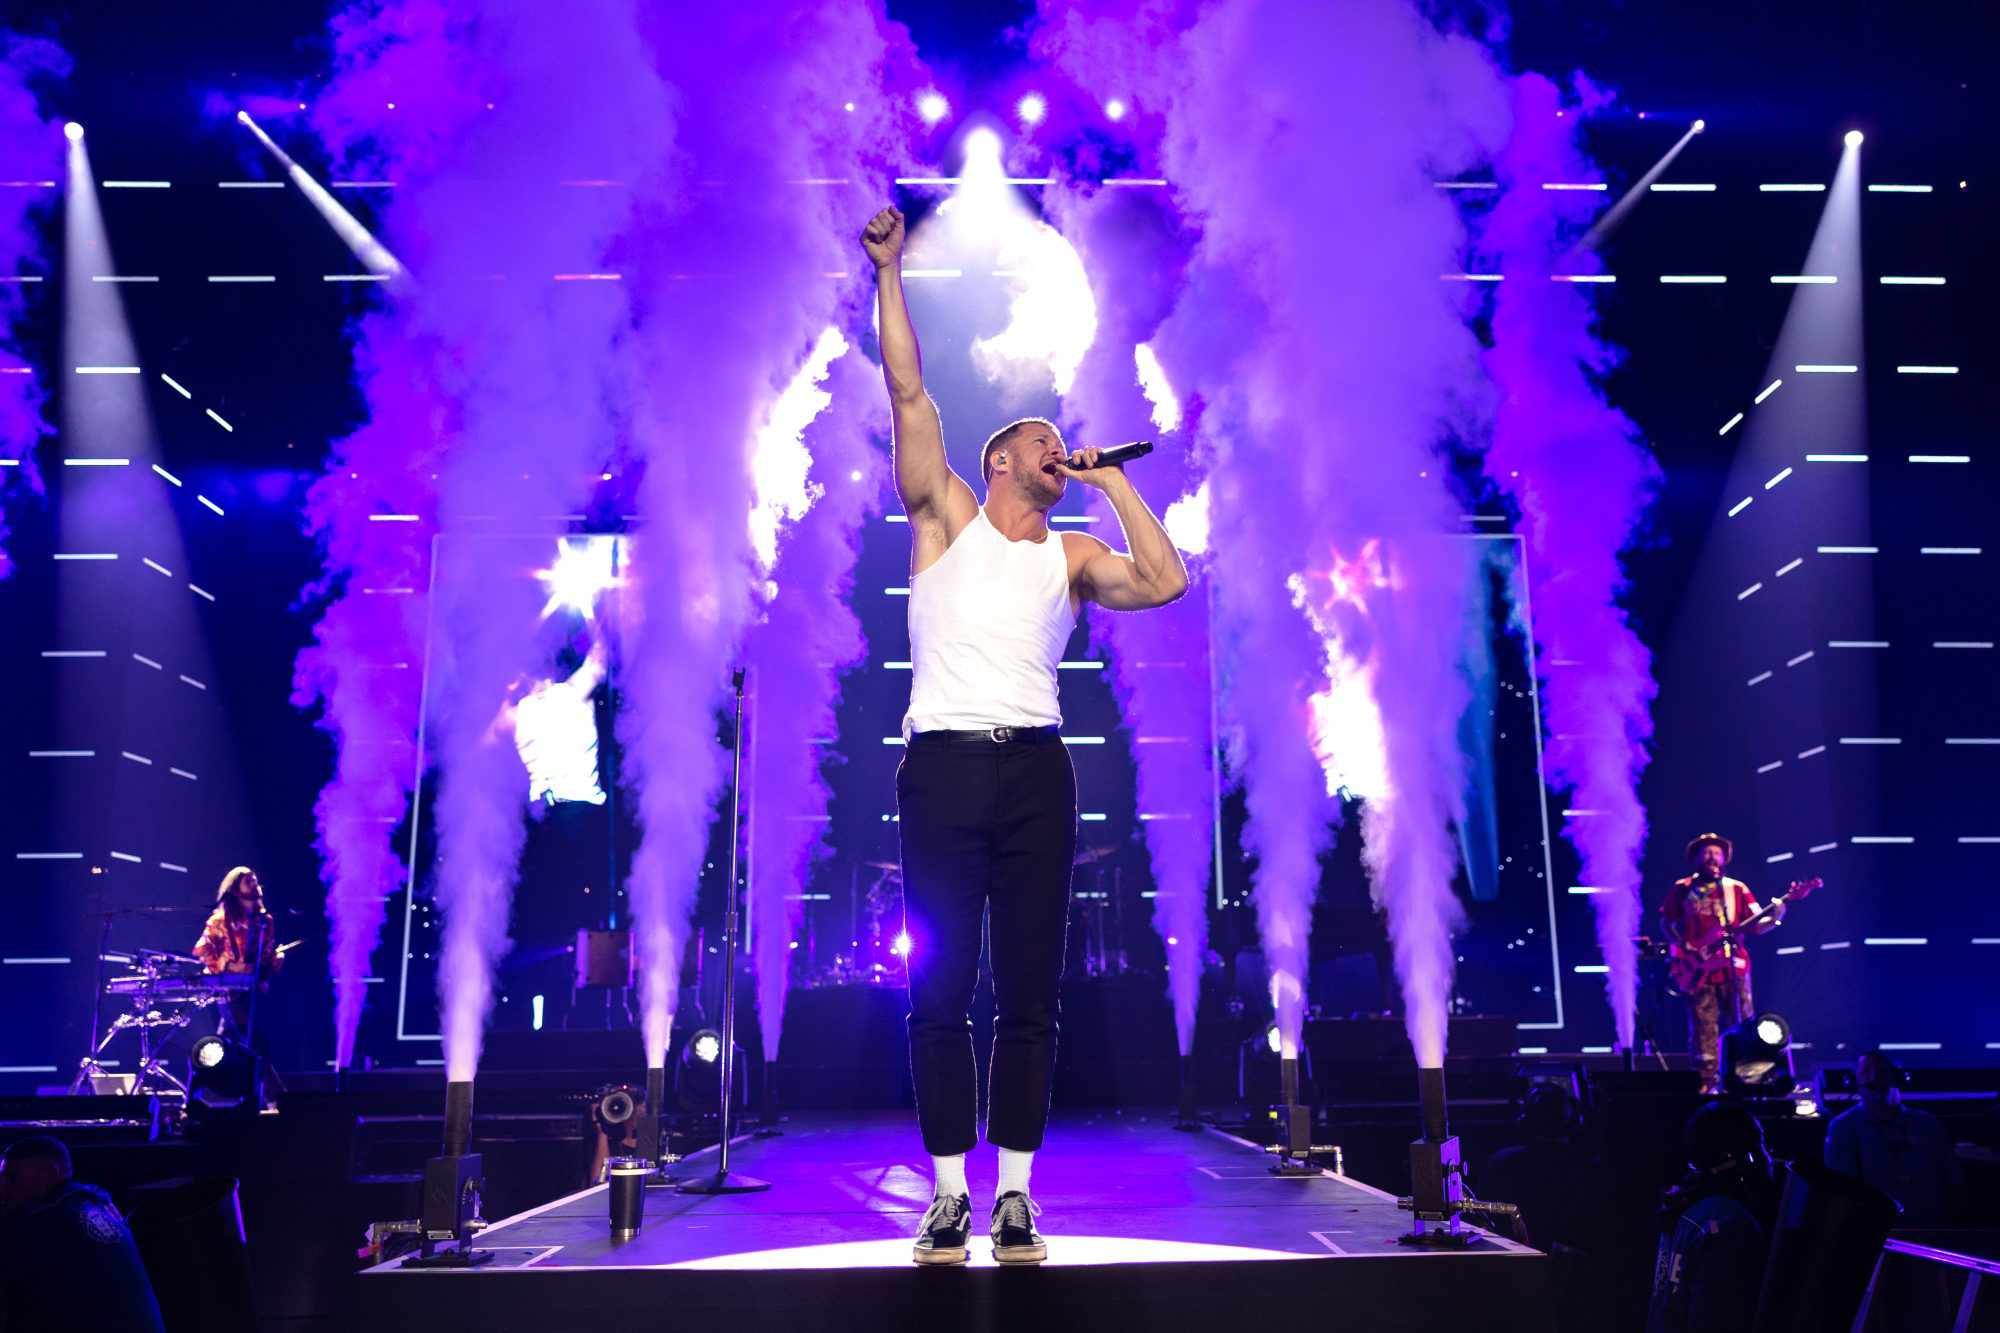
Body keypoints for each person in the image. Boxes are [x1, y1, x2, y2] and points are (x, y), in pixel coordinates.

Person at [862, 205, 1189, 1266]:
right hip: (945, 764)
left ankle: (1014, 1195)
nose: (1058, 451)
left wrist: (1112, 478)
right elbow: (908, 391)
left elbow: (1165, 580)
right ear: (999, 461)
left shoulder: (1076, 550)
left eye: (1062, 447)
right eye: (1043, 445)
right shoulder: (945, 516)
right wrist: (890, 269)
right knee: (939, 991)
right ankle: (947, 1193)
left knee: (1030, 994)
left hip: (1038, 769)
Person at [0, 1136, 165, 1333]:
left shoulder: (40, 1220)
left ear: (50, 1173)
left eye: (12, 1178)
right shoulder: (98, 1204)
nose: (2, 1188)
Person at [1660, 833, 1783, 1094]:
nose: (1711, 857)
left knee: (1743, 1024)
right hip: (1699, 970)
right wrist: (1684, 948)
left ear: (1724, 858)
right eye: (1706, 852)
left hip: (1733, 966)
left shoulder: (1736, 888)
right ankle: (1706, 1083)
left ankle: (1746, 1079)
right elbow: (1667, 923)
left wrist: (1776, 917)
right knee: (1703, 1026)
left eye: (1716, 853)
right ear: (1695, 858)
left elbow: (1756, 925)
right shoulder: (1682, 888)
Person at [1647, 1101, 1780, 1333]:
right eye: (1760, 1147)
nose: (1768, 1159)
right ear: (1743, 1158)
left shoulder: (1686, 1212)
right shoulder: (1729, 1226)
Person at [1824, 1050, 1963, 1227]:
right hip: (1874, 1229)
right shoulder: (1843, 1127)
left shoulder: (1926, 1123)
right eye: (1867, 1072)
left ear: (1895, 1078)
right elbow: (1840, 1189)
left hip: (1928, 1226)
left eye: (1881, 1072)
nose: (1874, 1078)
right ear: (1856, 1082)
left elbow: (1950, 1175)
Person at [193, 866, 285, 1104]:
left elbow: (264, 958)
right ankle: (276, 1097)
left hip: (252, 991)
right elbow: (202, 949)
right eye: (248, 880)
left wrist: (274, 961)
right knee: (254, 1042)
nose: (255, 883)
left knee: (222, 1044)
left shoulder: (265, 921)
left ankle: (196, 1095)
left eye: (255, 879)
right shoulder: (220, 919)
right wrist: (229, 966)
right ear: (235, 889)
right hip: (228, 991)